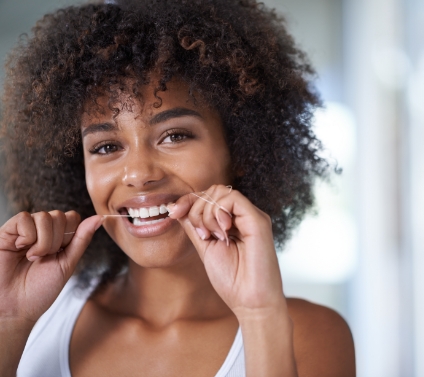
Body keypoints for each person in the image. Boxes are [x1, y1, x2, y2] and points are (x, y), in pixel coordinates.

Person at [0, 0, 355, 376]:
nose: (138, 173)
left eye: (174, 135)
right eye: (106, 147)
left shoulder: (309, 334)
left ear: (241, 151)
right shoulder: (33, 315)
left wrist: (259, 314)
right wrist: (8, 321)